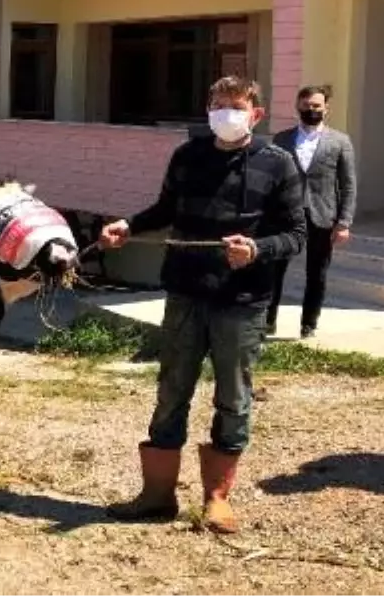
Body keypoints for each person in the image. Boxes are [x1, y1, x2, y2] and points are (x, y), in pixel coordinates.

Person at [101, 77, 305, 534]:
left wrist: (257, 249)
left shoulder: (279, 164)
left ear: (257, 113)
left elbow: (295, 234)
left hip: (242, 300)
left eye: (235, 105)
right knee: (172, 389)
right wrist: (127, 226)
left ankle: (217, 499)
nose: (225, 113)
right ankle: (156, 496)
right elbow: (164, 210)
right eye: (217, 104)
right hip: (185, 292)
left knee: (233, 397)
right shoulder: (187, 157)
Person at [267, 85, 357, 339]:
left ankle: (309, 324)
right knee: (275, 269)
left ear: (326, 108)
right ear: (298, 107)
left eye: (316, 105)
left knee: (316, 273)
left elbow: (348, 185)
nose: (311, 110)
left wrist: (344, 222)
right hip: (285, 215)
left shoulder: (340, 141)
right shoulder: (282, 139)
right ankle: (267, 321)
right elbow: (271, 180)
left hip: (322, 214)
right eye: (306, 105)